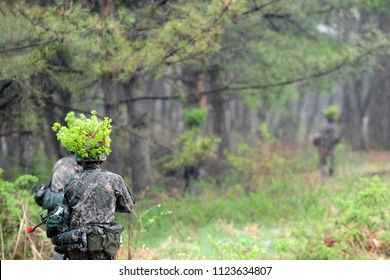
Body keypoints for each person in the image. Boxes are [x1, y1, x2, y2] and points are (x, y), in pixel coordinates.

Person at [50, 110, 135, 260]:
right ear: (102, 158)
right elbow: (128, 207)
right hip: (103, 249)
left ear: (79, 158)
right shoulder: (115, 180)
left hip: (77, 248)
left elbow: (66, 212)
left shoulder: (71, 181)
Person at [313, 105, 342, 178]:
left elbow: (317, 137)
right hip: (331, 147)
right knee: (332, 160)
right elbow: (336, 138)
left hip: (322, 147)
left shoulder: (322, 126)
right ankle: (331, 171)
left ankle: (324, 173)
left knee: (323, 161)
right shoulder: (334, 127)